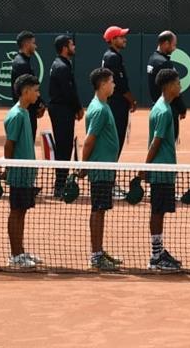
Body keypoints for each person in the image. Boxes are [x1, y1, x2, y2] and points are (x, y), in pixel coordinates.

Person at [74, 68, 123, 271]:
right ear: (103, 84)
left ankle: (99, 251)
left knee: (101, 209)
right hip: (100, 168)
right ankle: (95, 255)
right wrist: (84, 166)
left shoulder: (102, 106)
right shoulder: (100, 109)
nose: (114, 84)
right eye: (111, 81)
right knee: (98, 209)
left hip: (105, 167)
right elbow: (89, 140)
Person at [3, 74, 40, 269]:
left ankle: (20, 250)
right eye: (35, 90)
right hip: (18, 173)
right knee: (16, 211)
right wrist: (10, 169)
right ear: (25, 92)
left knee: (22, 211)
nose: (38, 94)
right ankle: (15, 254)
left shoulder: (25, 112)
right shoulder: (16, 115)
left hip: (26, 173)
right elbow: (9, 146)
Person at [46, 35, 83, 198]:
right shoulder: (62, 66)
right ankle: (59, 186)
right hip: (62, 111)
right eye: (71, 44)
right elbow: (69, 92)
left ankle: (60, 184)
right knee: (63, 148)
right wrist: (78, 108)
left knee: (64, 147)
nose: (74, 46)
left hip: (61, 110)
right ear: (64, 48)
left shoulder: (61, 64)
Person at [101, 26, 137, 155]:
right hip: (117, 105)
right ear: (113, 39)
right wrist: (132, 100)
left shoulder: (110, 55)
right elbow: (120, 85)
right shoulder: (113, 57)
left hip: (114, 103)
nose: (124, 39)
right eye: (121, 37)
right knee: (116, 140)